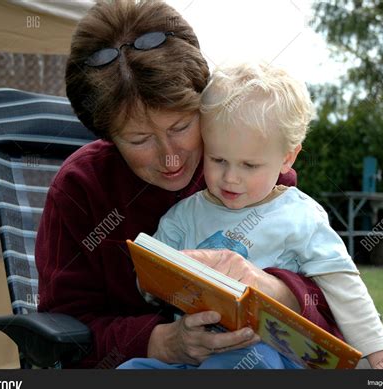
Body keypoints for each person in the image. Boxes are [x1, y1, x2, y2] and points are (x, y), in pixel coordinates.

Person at [36, 0, 342, 369]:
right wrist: (157, 341)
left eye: (181, 127)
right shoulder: (80, 189)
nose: (171, 158)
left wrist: (273, 290)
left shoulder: (238, 164)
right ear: (107, 136)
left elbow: (332, 296)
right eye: (138, 140)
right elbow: (63, 331)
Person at [125, 63, 383, 369]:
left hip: (267, 355)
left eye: (249, 166)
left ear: (287, 158)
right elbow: (149, 277)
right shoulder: (185, 214)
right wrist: (149, 283)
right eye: (218, 159)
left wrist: (381, 358)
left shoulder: (300, 215)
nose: (230, 178)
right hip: (194, 353)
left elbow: (344, 287)